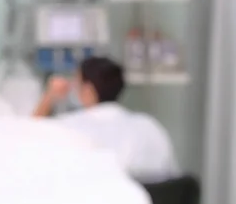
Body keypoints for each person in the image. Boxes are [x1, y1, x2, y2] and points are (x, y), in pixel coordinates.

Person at [33, 56, 179, 183]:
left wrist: (49, 97)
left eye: (76, 83)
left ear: (88, 90)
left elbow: (24, 138)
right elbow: (172, 180)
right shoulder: (150, 126)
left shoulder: (66, 128)